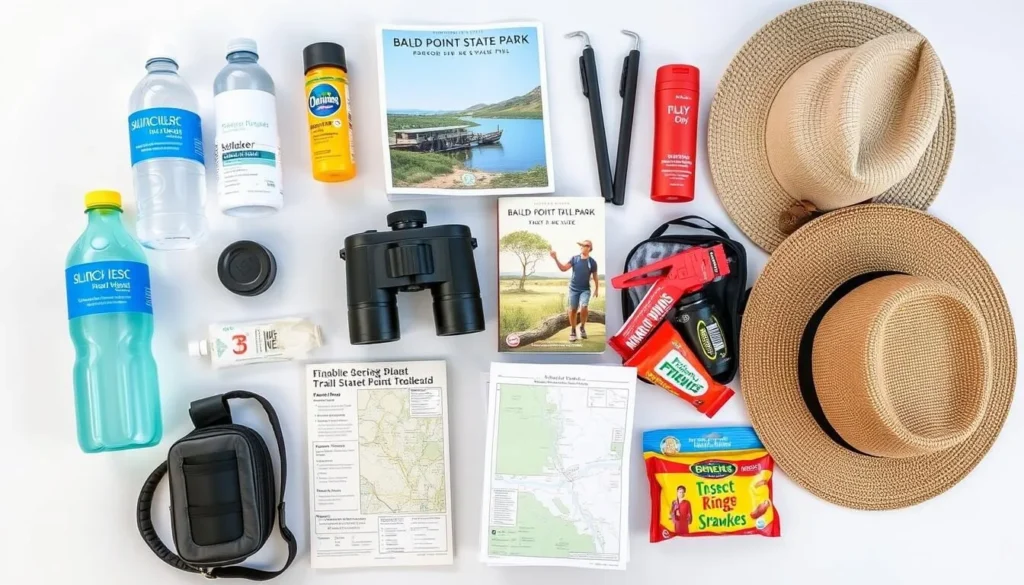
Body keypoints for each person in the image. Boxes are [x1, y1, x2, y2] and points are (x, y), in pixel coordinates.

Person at [550, 240, 599, 342]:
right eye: (581, 245)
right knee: (572, 310)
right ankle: (573, 331)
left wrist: (597, 289)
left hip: (585, 289)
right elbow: (563, 268)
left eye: (585, 245)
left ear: (589, 248)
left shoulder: (592, 262)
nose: (582, 247)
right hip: (573, 289)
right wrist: (555, 258)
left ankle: (582, 327)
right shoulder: (574, 259)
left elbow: (595, 276)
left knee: (584, 306)